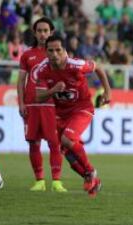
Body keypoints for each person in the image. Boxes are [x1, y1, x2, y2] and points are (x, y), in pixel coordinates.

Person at [34, 35, 111, 197]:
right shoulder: (42, 70)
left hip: (82, 108)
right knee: (67, 152)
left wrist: (107, 92)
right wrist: (53, 90)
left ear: (65, 51)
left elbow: (98, 68)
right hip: (61, 115)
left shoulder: (76, 65)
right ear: (46, 52)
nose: (54, 54)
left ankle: (90, 171)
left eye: (58, 50)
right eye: (50, 50)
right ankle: (93, 182)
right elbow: (38, 96)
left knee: (67, 140)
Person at [17, 17, 67, 192]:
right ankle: (39, 181)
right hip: (31, 106)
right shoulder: (27, 55)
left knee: (55, 143)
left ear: (51, 32)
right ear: (34, 33)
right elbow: (21, 81)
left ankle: (56, 181)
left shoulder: (59, 54)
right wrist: (21, 103)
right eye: (39, 30)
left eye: (46, 30)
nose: (43, 34)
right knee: (33, 143)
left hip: (51, 105)